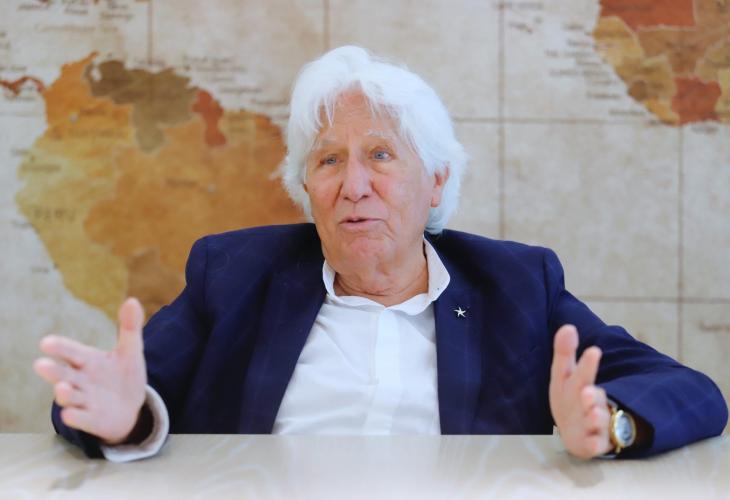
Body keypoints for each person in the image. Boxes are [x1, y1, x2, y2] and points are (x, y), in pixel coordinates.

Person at [34, 46, 727, 462]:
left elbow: (692, 392)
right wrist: (127, 419)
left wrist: (610, 423)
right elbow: (112, 399)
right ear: (307, 187)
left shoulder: (516, 285)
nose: (354, 185)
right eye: (329, 160)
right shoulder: (236, 276)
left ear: (437, 182)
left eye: (381, 155)